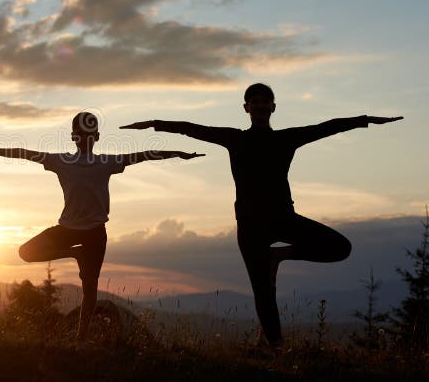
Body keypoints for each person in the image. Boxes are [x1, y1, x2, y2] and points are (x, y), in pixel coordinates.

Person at [121, 83, 403, 347]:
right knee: (263, 293)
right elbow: (192, 128)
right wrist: (153, 124)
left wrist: (366, 120)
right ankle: (276, 349)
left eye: (264, 101)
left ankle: (278, 256)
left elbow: (327, 128)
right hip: (250, 225)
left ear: (272, 107)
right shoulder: (234, 138)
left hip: (283, 217)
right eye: (253, 101)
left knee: (341, 247)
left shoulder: (287, 138)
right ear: (246, 108)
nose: (258, 105)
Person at [0, 112, 203, 340]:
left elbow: (145, 154)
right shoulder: (81, 161)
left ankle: (81, 337)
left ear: (93, 137)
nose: (85, 139)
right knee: (28, 253)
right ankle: (74, 254)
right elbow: (146, 154)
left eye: (87, 135)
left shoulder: (95, 161)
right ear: (76, 137)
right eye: (82, 135)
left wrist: (178, 153)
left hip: (92, 233)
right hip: (74, 231)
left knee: (90, 288)